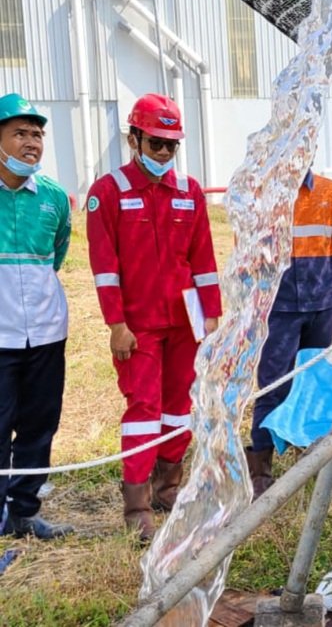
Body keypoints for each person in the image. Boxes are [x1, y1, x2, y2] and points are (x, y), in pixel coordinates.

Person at [86, 93, 222, 540]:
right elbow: (105, 267)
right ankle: (137, 506)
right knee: (143, 409)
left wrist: (212, 319)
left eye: (171, 145)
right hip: (138, 326)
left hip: (186, 323)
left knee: (179, 407)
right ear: (134, 138)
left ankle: (169, 487)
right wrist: (117, 325)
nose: (164, 153)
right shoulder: (108, 193)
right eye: (155, 143)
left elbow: (203, 260)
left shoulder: (189, 192)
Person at [246, 168, 332, 498]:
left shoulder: (331, 191)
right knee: (273, 385)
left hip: (322, 306)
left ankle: (313, 459)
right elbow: (248, 253)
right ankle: (261, 471)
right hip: (278, 309)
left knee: (318, 383)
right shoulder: (262, 193)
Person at [0, 93, 74, 540]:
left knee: (39, 424)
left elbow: (58, 253)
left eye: (38, 135)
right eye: (20, 133)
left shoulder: (53, 198)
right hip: (1, 338)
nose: (32, 143)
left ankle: (24, 510)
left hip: (46, 333)